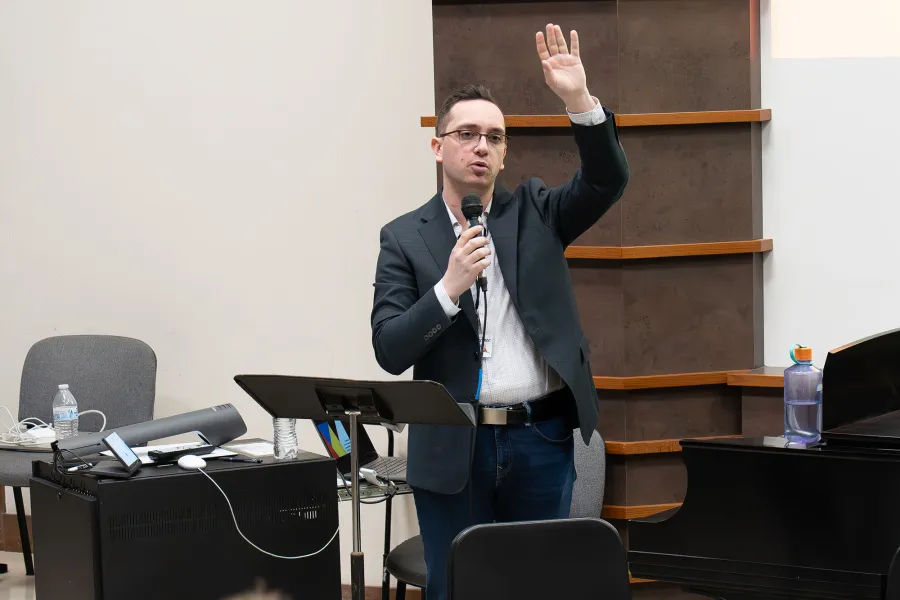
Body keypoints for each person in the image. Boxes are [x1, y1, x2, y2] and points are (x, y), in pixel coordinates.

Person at [370, 23, 629, 600]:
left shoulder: (537, 210)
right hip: (453, 447)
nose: (481, 146)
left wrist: (578, 101)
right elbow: (389, 348)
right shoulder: (404, 238)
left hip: (539, 439)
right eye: (467, 134)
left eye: (494, 136)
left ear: (506, 151)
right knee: (457, 588)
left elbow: (608, 180)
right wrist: (448, 288)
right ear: (438, 147)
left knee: (537, 587)